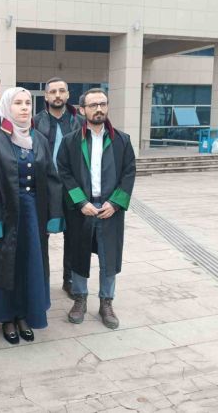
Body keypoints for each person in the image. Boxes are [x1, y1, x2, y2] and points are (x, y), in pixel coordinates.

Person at [0, 87, 64, 345]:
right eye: (18, 103)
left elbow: (52, 180)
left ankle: (25, 314)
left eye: (27, 103)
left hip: (33, 215)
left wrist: (52, 217)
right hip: (5, 216)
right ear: (7, 107)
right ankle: (7, 317)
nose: (25, 107)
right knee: (6, 267)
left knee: (30, 264)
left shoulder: (40, 140)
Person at [57, 88, 136, 330]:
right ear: (82, 110)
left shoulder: (122, 140)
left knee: (109, 256)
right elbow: (64, 173)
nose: (99, 109)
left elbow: (129, 173)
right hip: (83, 208)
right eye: (93, 105)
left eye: (102, 104)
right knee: (79, 253)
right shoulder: (71, 141)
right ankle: (79, 298)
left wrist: (115, 203)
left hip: (110, 208)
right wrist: (81, 202)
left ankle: (106, 302)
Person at [34, 77, 84, 300]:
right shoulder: (35, 122)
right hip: (44, 188)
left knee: (73, 236)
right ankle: (41, 279)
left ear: (68, 95)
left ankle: (69, 279)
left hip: (73, 187)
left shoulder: (79, 122)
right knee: (41, 236)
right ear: (46, 96)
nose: (57, 95)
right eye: (52, 91)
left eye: (61, 91)